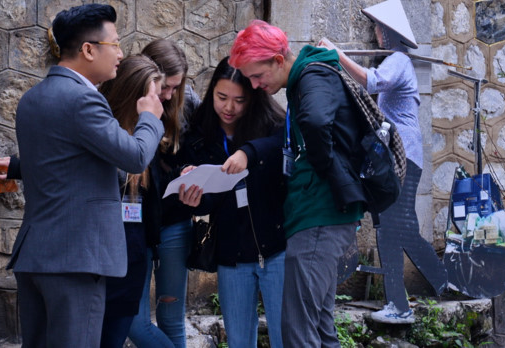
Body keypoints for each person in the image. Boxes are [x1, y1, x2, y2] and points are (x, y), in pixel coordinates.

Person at [7, 3, 164, 348]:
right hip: (75, 259)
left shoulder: (32, 98)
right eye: (115, 44)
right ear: (89, 50)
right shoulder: (83, 100)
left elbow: (58, 168)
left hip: (35, 255)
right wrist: (150, 118)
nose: (120, 54)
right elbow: (135, 157)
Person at [229, 20, 365, 348]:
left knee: (297, 330)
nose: (255, 85)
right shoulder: (308, 77)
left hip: (318, 214)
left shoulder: (310, 75)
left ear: (278, 60)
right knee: (318, 326)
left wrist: (316, 169)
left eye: (257, 76)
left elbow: (316, 123)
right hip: (321, 215)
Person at [318, 0, 448, 324]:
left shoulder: (399, 60)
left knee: (390, 228)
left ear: (388, 32)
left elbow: (371, 81)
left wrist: (337, 54)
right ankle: (445, 283)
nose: (375, 33)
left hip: (403, 158)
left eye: (377, 28)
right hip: (404, 157)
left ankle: (400, 307)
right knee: (405, 230)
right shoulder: (397, 61)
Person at [177, 57, 287, 348]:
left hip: (276, 247)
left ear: (254, 97)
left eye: (239, 100)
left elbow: (283, 145)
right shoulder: (199, 135)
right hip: (231, 252)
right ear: (211, 92)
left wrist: (249, 152)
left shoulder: (273, 126)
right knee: (238, 340)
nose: (229, 108)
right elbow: (208, 203)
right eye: (222, 97)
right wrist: (193, 197)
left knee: (285, 337)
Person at [128, 39, 200, 348]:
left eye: (176, 87)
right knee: (134, 322)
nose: (169, 94)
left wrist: (193, 170)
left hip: (175, 221)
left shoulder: (189, 103)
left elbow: (204, 150)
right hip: (135, 224)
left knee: (172, 319)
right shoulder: (127, 102)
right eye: (165, 87)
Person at [97, 55, 165, 347]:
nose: (159, 104)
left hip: (132, 261)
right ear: (133, 96)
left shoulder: (149, 132)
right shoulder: (102, 129)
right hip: (100, 262)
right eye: (154, 96)